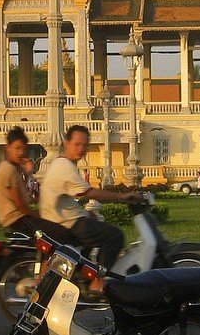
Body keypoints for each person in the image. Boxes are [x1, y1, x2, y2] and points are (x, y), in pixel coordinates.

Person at [39, 125, 142, 295]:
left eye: (84, 145)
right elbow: (88, 192)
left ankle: (83, 282)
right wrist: (122, 197)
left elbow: (69, 197)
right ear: (66, 144)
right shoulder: (64, 166)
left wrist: (86, 213)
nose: (81, 149)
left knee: (93, 231)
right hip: (67, 223)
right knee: (115, 236)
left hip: (66, 219)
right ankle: (97, 283)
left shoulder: (62, 164)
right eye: (77, 144)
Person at [0, 126, 74, 244]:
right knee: (59, 234)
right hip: (18, 220)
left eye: (23, 149)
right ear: (8, 148)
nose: (21, 153)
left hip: (19, 218)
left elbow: (22, 194)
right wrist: (36, 217)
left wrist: (26, 174)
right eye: (17, 148)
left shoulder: (13, 168)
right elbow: (19, 203)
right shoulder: (8, 169)